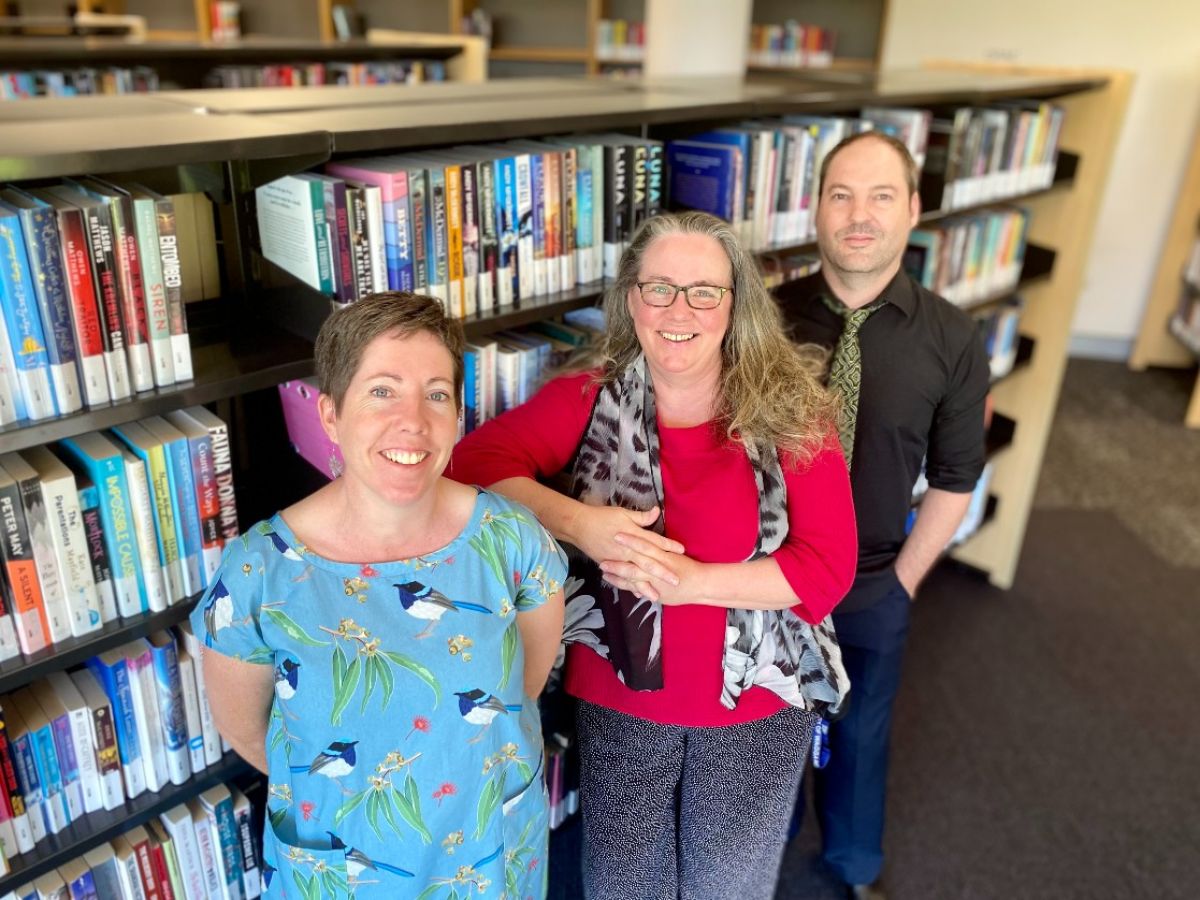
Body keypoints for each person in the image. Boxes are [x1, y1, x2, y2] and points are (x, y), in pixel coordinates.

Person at [451, 211, 858, 900]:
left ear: (736, 305)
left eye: (704, 291)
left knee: (725, 887)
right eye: (659, 287)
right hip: (623, 688)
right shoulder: (588, 397)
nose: (680, 310)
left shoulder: (793, 410)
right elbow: (473, 463)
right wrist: (580, 524)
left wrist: (691, 582)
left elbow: (827, 568)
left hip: (755, 699)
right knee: (621, 883)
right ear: (631, 298)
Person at [192, 292, 566, 900]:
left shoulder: (512, 541)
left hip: (487, 858)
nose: (413, 421)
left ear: (458, 415)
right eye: (382, 390)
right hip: (343, 876)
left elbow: (523, 689)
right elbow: (249, 732)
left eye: (436, 394)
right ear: (331, 414)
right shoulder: (258, 574)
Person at [779, 131, 991, 900]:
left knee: (859, 733)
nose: (858, 216)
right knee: (757, 729)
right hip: (767, 569)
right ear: (815, 209)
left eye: (880, 196)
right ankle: (752, 859)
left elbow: (958, 476)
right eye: (841, 195)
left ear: (914, 210)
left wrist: (903, 580)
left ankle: (852, 865)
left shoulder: (953, 338)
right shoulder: (767, 319)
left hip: (874, 576)